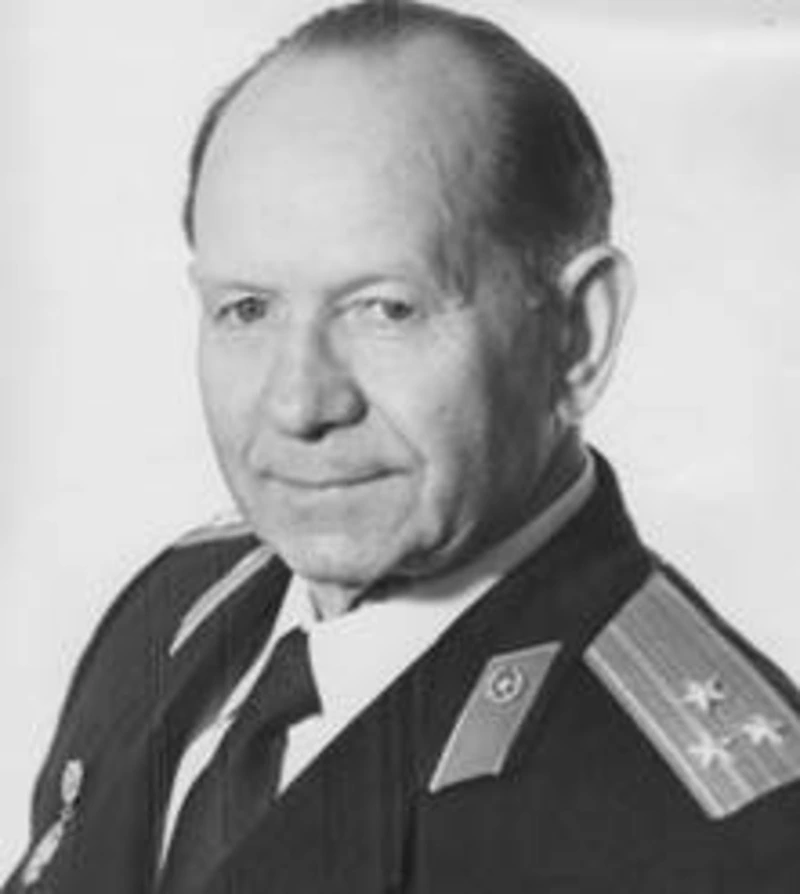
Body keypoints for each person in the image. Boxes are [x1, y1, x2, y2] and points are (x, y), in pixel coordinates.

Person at [5, 2, 800, 892]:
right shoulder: (177, 607)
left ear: (578, 333)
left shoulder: (718, 839)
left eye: (385, 309)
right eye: (247, 309)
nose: (300, 404)